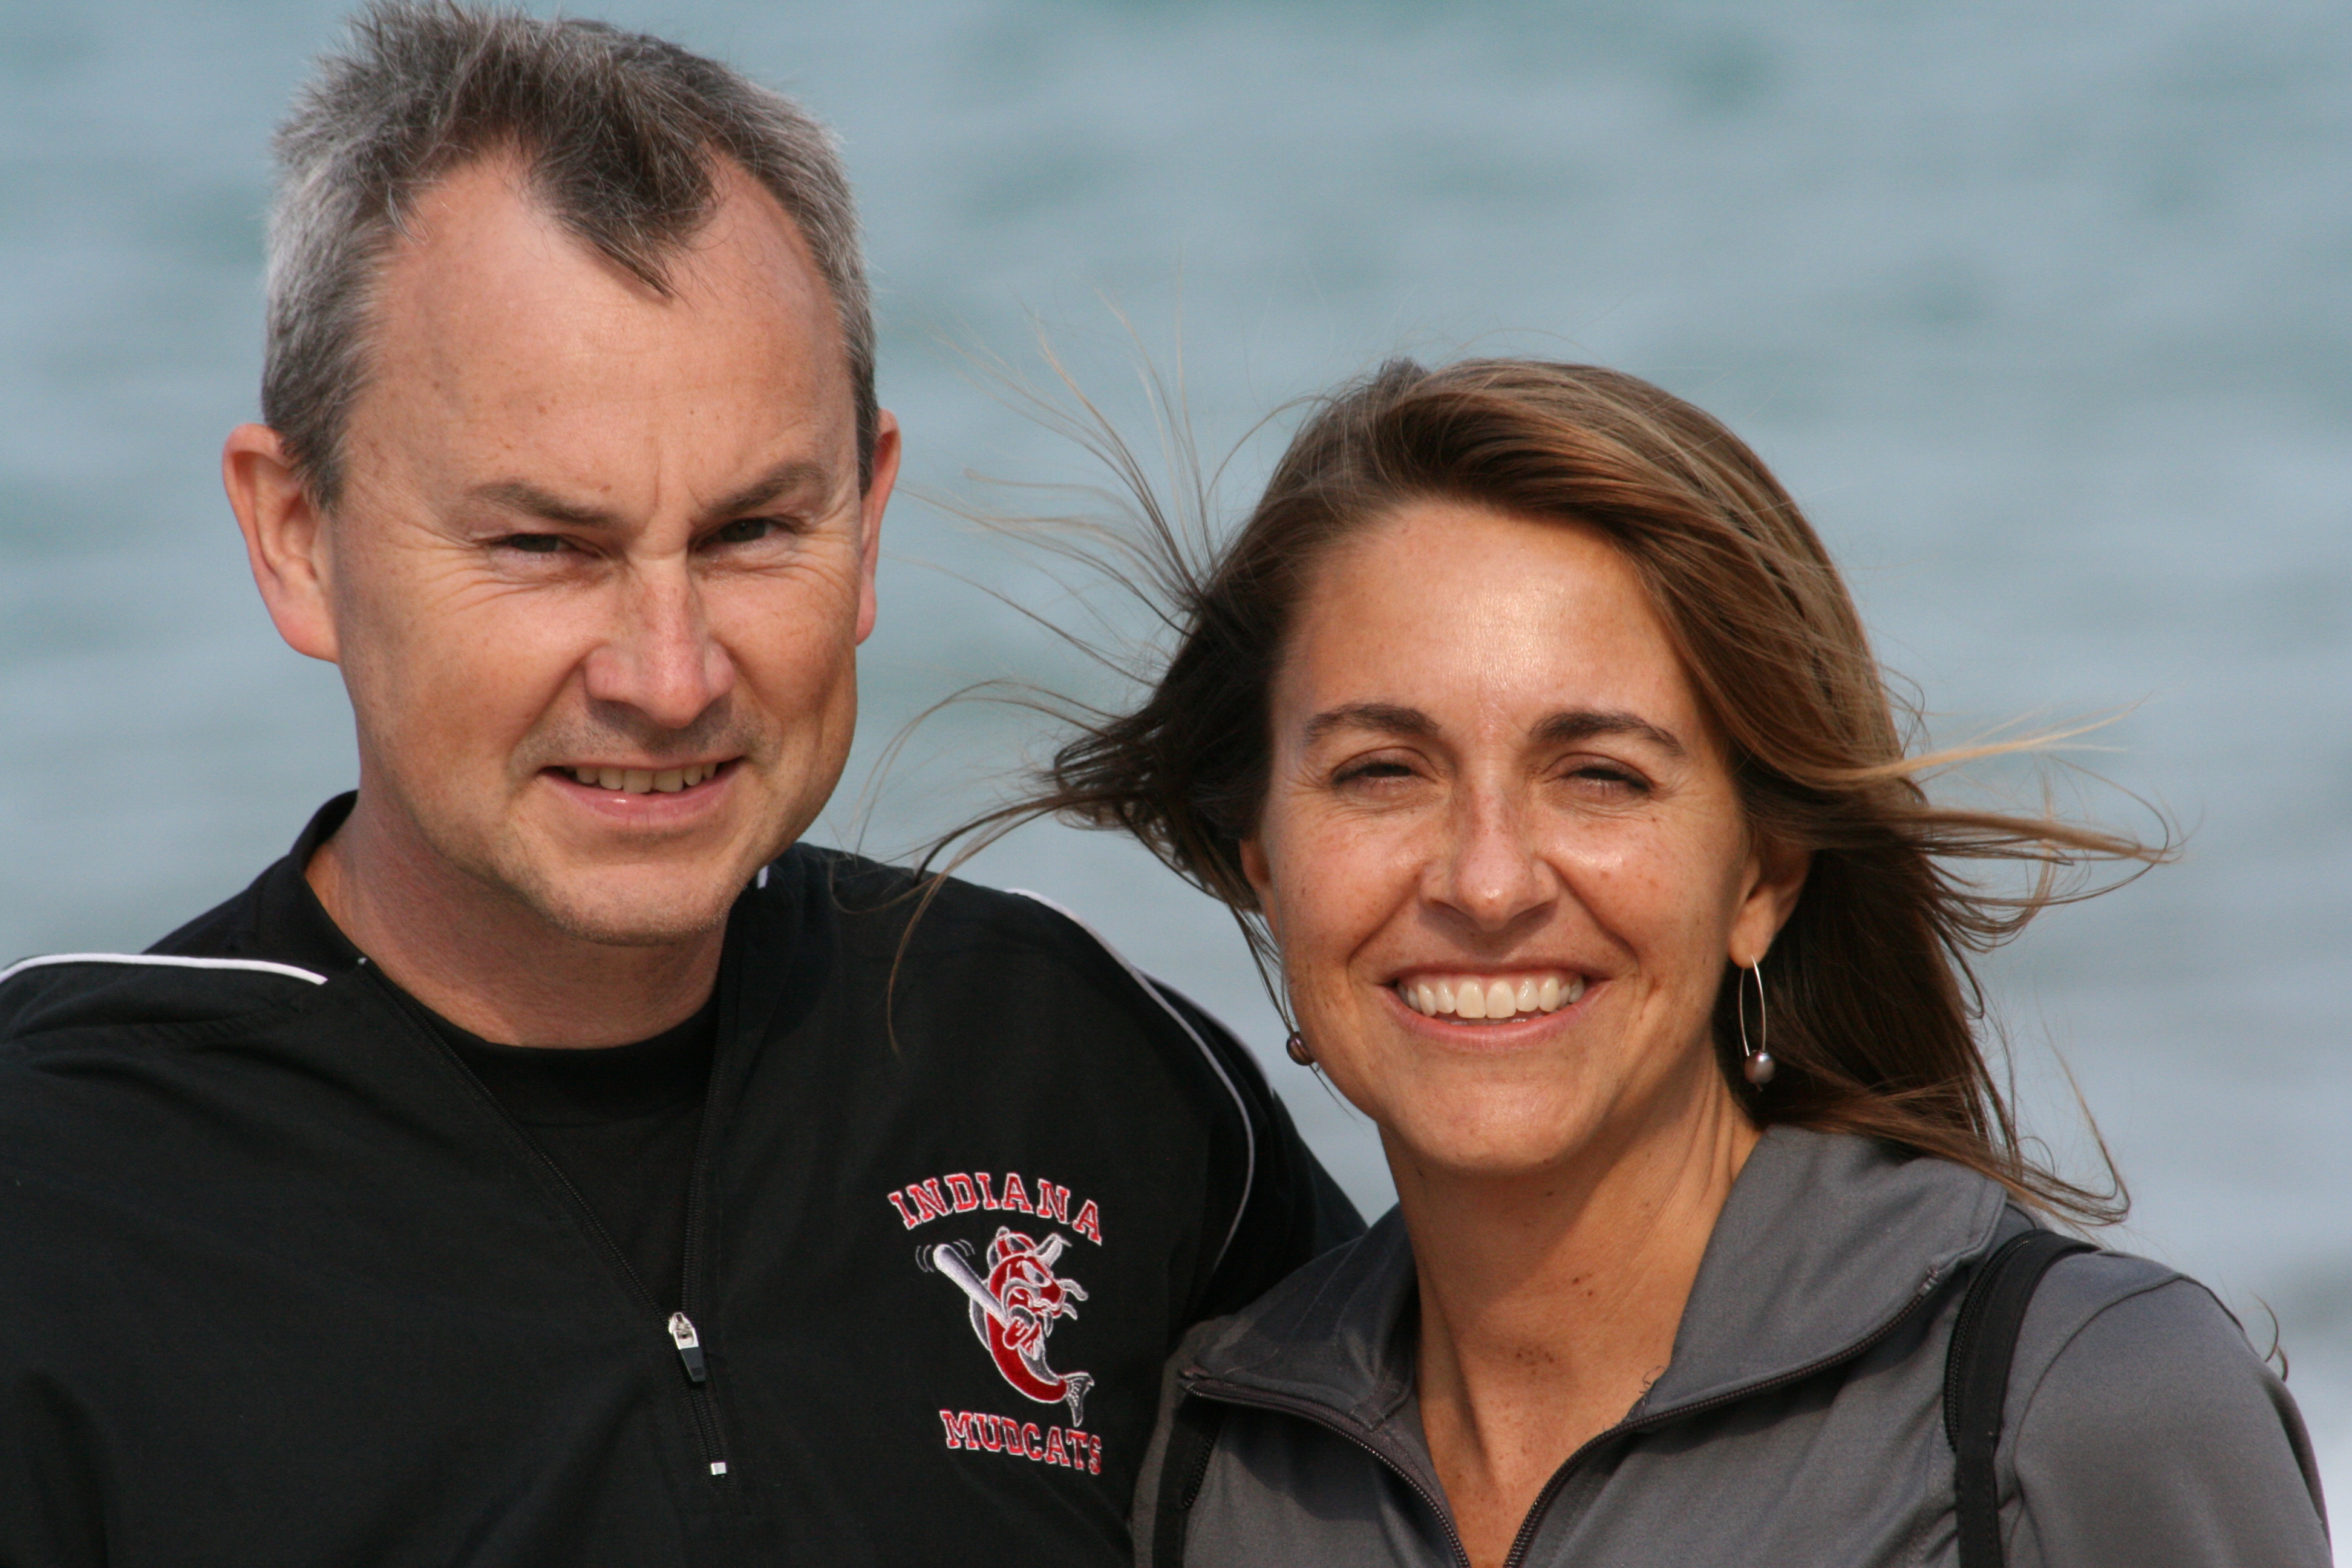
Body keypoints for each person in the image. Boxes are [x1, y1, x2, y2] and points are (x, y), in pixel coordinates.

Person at [0, 7, 1357, 1564]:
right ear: (297, 537)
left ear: (869, 515)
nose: (669, 675)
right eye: (543, 546)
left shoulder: (1077, 1064)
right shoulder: (59, 1187)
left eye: (752, 532)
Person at [982, 358, 2328, 1565]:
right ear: (1267, 868)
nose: (1488, 882)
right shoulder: (1217, 1463)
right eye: (1382, 771)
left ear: (1762, 878)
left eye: (1601, 775)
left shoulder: (2073, 1407)